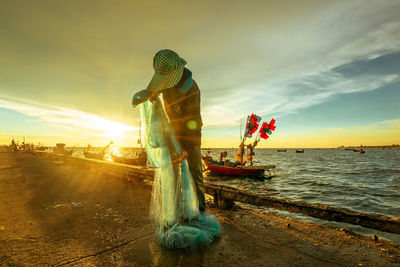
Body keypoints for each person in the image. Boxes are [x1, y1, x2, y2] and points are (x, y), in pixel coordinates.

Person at [145, 49, 206, 211]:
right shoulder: (165, 83)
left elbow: (193, 122)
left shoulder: (192, 89)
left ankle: (200, 211)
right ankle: (175, 210)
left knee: (195, 174)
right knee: (172, 175)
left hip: (191, 136)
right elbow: (153, 94)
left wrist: (186, 148)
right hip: (171, 133)